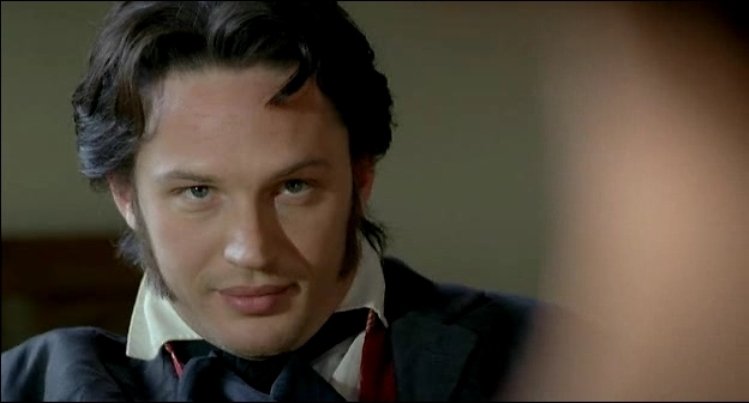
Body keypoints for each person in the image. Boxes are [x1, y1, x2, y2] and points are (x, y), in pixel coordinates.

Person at [1, 1, 535, 401]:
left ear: (361, 176)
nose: (252, 250)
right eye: (198, 192)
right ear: (127, 197)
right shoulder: (25, 387)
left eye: (293, 187)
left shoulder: (549, 357)